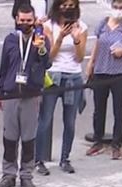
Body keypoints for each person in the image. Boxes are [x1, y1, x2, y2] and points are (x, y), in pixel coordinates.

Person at [0, 5, 50, 187]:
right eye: (22, 20)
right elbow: (3, 68)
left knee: (28, 138)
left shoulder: (41, 39)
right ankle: (8, 174)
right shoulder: (10, 40)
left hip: (31, 94)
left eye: (29, 20)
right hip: (11, 94)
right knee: (9, 137)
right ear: (16, 19)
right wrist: (1, 92)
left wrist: (41, 48)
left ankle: (26, 175)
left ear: (34, 20)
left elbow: (47, 63)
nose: (25, 23)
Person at [35, 0, 86, 175]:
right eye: (64, 5)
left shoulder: (82, 27)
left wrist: (76, 40)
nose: (67, 9)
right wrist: (60, 38)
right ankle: (39, 160)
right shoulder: (49, 25)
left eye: (71, 5)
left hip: (73, 77)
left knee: (70, 122)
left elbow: (80, 58)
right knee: (45, 119)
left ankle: (65, 158)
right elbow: (49, 57)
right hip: (53, 75)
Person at [86, 0, 122, 161]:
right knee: (98, 109)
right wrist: (91, 63)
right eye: (116, 7)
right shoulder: (103, 23)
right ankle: (98, 141)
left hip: (119, 73)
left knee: (118, 110)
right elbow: (97, 44)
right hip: (101, 71)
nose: (118, 10)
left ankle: (116, 144)